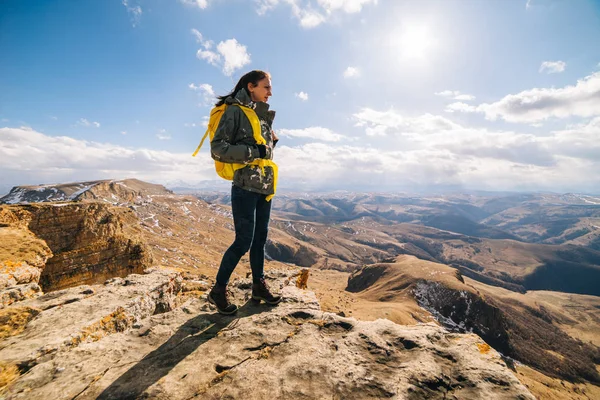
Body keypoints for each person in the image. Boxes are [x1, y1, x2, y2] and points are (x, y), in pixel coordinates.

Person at [207, 70, 281, 315]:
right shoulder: (234, 111)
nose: (270, 92)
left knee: (260, 239)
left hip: (263, 186)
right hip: (244, 187)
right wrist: (254, 153)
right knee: (243, 242)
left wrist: (270, 144)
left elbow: (260, 147)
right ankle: (218, 290)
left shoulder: (259, 113)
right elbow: (218, 148)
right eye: (266, 87)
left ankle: (258, 286)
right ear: (251, 86)